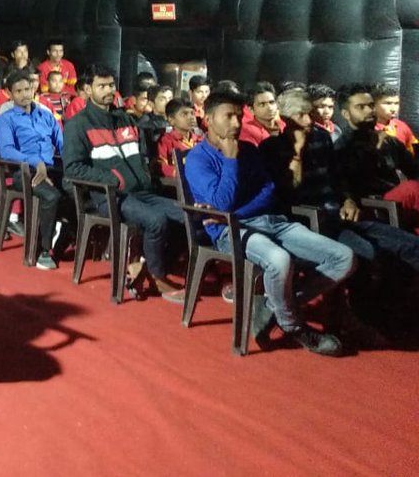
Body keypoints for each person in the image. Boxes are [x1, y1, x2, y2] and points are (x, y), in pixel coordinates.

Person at [183, 89, 354, 355]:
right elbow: (222, 203)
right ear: (208, 118)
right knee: (279, 260)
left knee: (343, 257)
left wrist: (236, 211)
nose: (236, 123)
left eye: (239, 117)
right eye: (228, 117)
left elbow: (268, 191)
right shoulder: (198, 158)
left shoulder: (250, 151)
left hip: (271, 220)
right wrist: (230, 160)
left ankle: (275, 305)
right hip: (230, 231)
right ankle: (293, 325)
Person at [261, 88, 419, 339]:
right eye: (301, 115)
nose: (308, 120)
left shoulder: (322, 138)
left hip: (338, 216)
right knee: (366, 252)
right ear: (286, 119)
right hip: (307, 224)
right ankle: (358, 316)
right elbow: (286, 194)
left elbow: (337, 178)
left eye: (310, 113)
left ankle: (398, 312)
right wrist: (298, 153)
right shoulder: (272, 147)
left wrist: (347, 199)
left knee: (409, 244)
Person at [62, 64, 186, 302]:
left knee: (186, 218)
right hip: (109, 197)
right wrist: (112, 179)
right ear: (88, 89)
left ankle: (146, 267)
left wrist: (145, 174)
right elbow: (73, 168)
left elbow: (142, 155)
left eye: (111, 85)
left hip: (142, 191)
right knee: (156, 221)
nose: (109, 90)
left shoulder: (126, 119)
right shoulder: (78, 125)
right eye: (102, 86)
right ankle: (157, 277)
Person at [0, 71, 64, 267]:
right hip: (23, 172)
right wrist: (35, 162)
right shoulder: (6, 119)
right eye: (18, 91)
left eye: (27, 89)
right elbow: (6, 151)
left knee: (76, 189)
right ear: (9, 93)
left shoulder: (46, 115)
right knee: (51, 195)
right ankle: (43, 251)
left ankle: (64, 238)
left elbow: (62, 144)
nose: (24, 94)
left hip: (51, 167)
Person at [333, 83, 419, 229]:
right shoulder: (342, 148)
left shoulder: (389, 141)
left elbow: (414, 168)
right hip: (373, 206)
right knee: (412, 189)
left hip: (399, 201)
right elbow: (345, 188)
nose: (370, 111)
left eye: (371, 105)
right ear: (346, 114)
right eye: (361, 107)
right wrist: (375, 150)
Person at [155, 99, 203, 181]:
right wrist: (180, 173)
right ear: (171, 120)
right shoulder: (166, 141)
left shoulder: (200, 140)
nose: (191, 118)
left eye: (192, 113)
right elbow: (160, 165)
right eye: (184, 114)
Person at [372, 83, 417, 154]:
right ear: (373, 105)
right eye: (388, 103)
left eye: (396, 103)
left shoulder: (401, 126)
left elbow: (414, 149)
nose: (393, 109)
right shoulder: (367, 130)